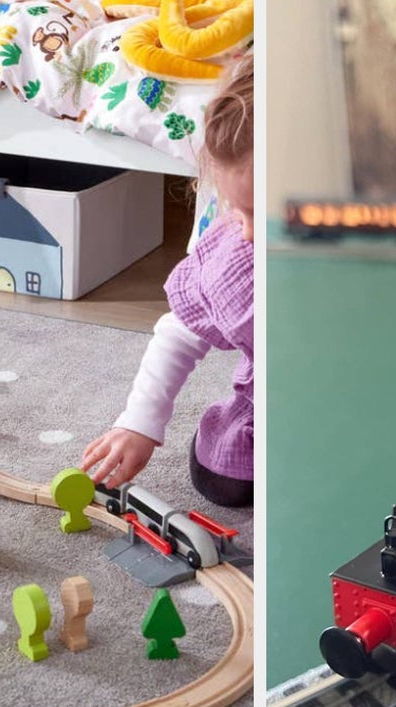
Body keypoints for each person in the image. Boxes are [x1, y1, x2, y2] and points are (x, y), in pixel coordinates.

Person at [81, 54, 254, 507]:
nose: (249, 231)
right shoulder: (235, 255)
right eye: (239, 211)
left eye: (264, 215)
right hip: (273, 402)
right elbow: (180, 332)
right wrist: (140, 421)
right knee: (221, 479)